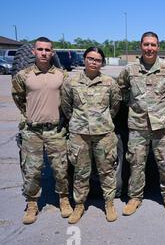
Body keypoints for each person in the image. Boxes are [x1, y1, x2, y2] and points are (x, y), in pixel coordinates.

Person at [117, 31, 165, 215]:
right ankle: (135, 198)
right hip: (138, 125)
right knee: (136, 163)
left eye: (153, 45)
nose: (149, 48)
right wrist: (132, 102)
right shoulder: (130, 69)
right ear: (141, 46)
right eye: (146, 44)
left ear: (158, 47)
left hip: (162, 125)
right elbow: (120, 89)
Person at [11, 37, 73, 224]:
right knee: (31, 171)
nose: (44, 53)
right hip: (33, 131)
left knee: (61, 169)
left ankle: (63, 199)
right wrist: (31, 115)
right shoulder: (24, 75)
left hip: (55, 130)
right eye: (40, 49)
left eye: (47, 50)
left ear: (52, 52)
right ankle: (31, 204)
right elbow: (19, 97)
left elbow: (68, 99)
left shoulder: (62, 75)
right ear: (34, 52)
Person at [61, 47, 121, 224]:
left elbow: (115, 106)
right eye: (90, 58)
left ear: (102, 62)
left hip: (104, 134)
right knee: (81, 172)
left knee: (107, 170)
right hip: (79, 134)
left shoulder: (110, 83)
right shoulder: (71, 82)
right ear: (84, 59)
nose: (93, 62)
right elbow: (66, 106)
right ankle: (79, 205)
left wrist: (102, 120)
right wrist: (79, 121)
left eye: (97, 59)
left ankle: (109, 204)